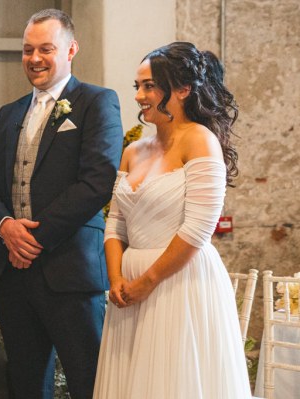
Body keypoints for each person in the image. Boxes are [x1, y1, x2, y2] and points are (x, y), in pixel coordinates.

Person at [0, 9, 123, 399]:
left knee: (88, 381)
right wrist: (6, 227)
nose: (34, 59)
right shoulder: (9, 114)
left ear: (71, 49)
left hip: (71, 273)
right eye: (27, 50)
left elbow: (97, 181)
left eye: (45, 49)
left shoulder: (96, 103)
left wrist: (35, 239)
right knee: (24, 383)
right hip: (14, 278)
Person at [93, 42, 252, 398]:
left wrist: (148, 280)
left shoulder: (200, 141)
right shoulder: (134, 150)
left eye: (150, 85)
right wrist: (117, 278)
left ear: (183, 89)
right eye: (138, 86)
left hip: (178, 283)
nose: (140, 96)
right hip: (129, 289)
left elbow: (199, 227)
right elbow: (116, 221)